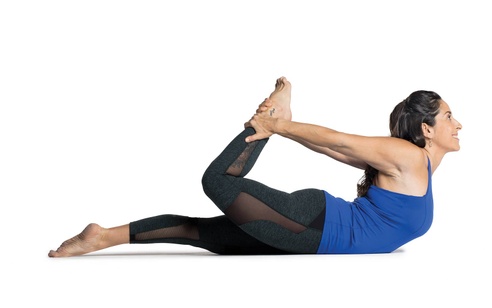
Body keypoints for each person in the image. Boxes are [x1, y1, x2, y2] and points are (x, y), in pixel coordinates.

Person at [48, 77, 462, 257]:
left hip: (312, 234)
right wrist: (274, 125)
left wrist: (285, 129)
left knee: (208, 235)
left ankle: (102, 237)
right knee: (217, 182)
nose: (457, 123)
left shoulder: (414, 167)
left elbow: (335, 152)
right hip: (313, 225)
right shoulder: (410, 156)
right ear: (426, 129)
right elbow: (337, 139)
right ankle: (262, 120)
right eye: (448, 116)